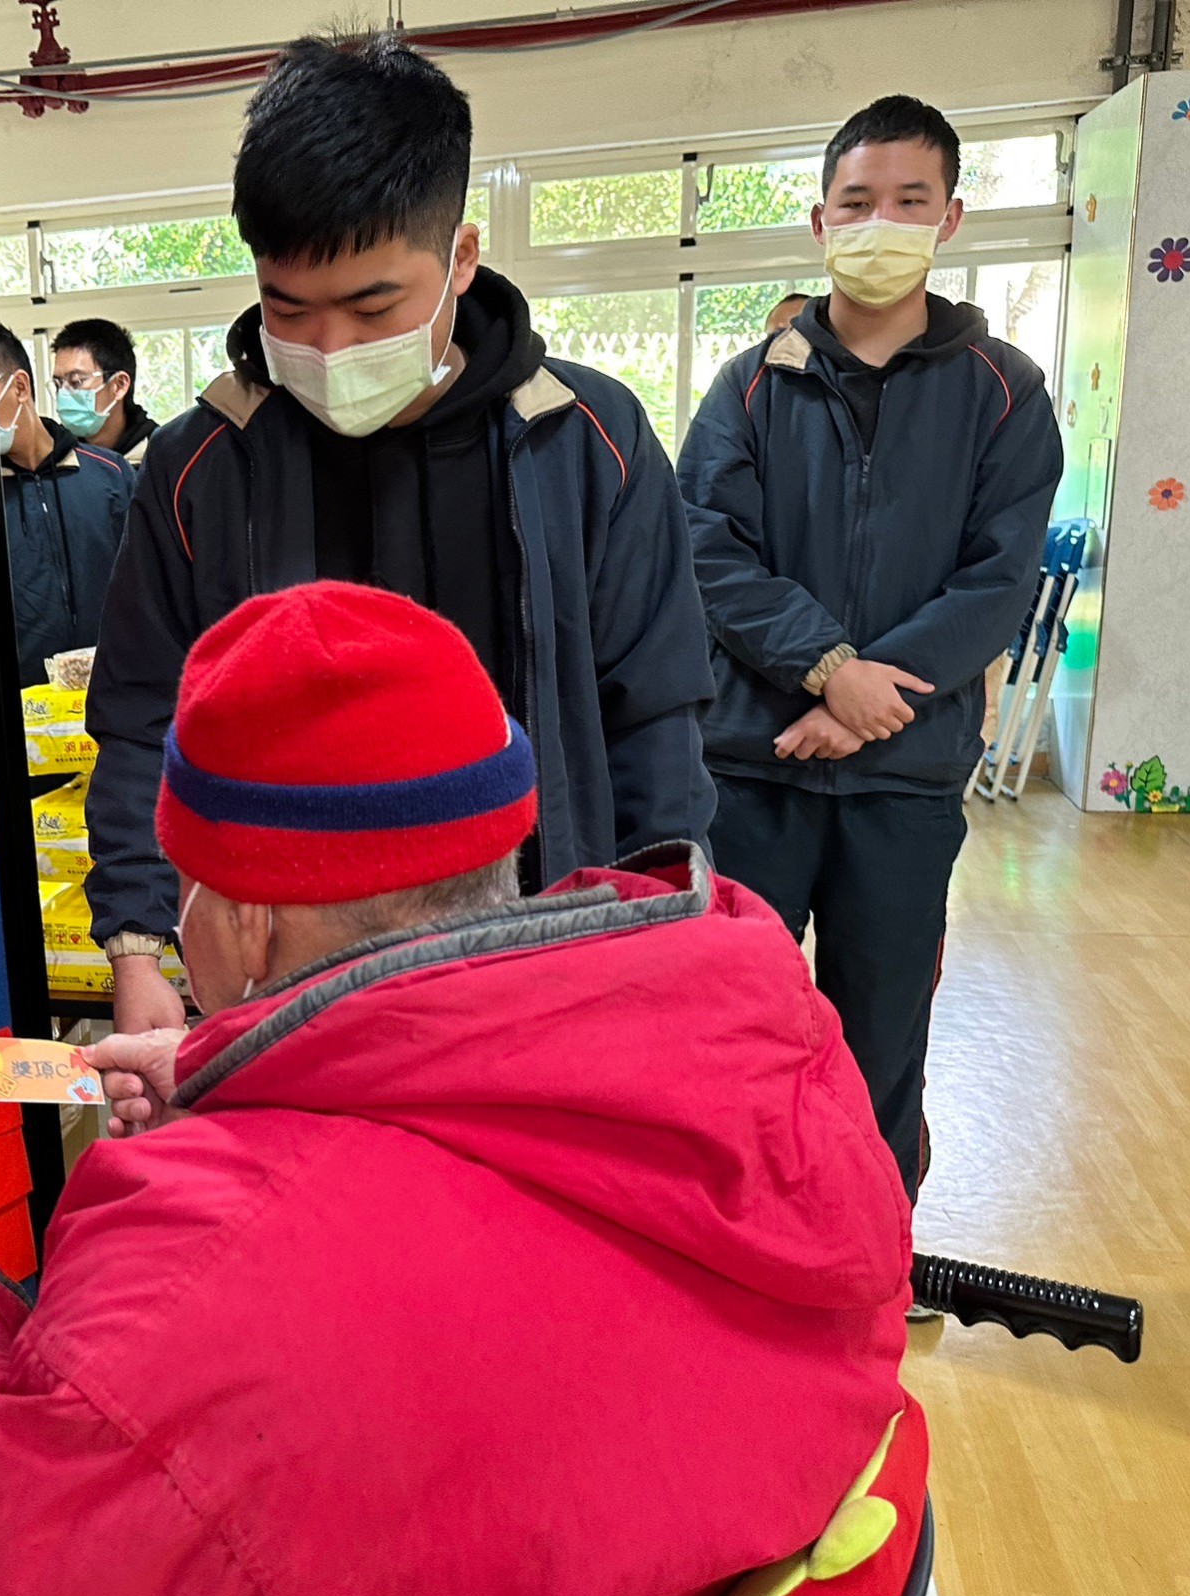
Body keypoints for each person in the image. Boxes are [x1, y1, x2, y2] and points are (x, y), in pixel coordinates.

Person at [0, 584, 923, 1596]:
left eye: (182, 889)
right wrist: (257, 1077)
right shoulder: (763, 1038)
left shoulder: (195, 1303)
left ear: (246, 923)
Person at [83, 32, 717, 1034]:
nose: (328, 347)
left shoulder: (587, 440)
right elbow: (141, 721)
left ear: (460, 258)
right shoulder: (203, 465)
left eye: (371, 306)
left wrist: (660, 932)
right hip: (284, 994)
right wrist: (136, 944)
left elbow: (654, 716)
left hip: (542, 961)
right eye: (289, 308)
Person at [677, 95, 1064, 1199]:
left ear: (950, 218)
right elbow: (705, 548)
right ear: (819, 221)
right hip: (756, 767)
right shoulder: (751, 385)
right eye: (856, 202)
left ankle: (872, 1247)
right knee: (735, 1031)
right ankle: (739, 1237)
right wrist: (828, 669)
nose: (879, 223)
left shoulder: (1006, 393)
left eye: (908, 200)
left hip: (905, 776)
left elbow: (997, 580)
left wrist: (865, 700)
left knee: (881, 1039)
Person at [0, 322, 134, 683]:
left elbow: (149, 585)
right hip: (25, 699)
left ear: (20, 387)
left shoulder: (110, 474)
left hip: (116, 687)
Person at [49, 317, 160, 464]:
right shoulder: (57, 458)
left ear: (119, 385)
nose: (63, 393)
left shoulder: (162, 454)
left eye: (76, 381)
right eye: (58, 384)